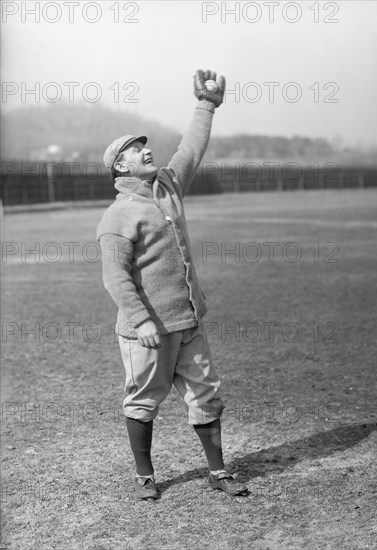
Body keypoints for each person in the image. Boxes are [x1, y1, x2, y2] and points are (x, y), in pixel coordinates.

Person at [97, 69, 248, 501]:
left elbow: (191, 149)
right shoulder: (117, 215)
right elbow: (115, 275)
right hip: (147, 331)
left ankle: (218, 472)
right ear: (120, 166)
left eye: (145, 146)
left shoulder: (167, 186)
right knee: (143, 400)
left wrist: (206, 104)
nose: (146, 151)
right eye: (135, 150)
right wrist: (141, 320)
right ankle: (145, 476)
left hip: (189, 322)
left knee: (207, 395)